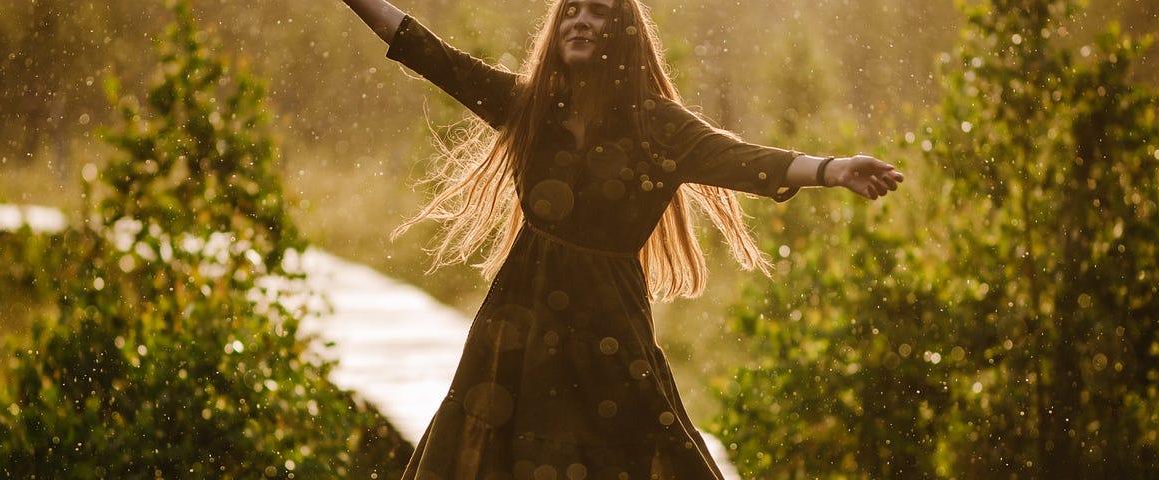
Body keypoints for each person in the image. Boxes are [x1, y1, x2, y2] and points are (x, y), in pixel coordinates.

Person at [338, 0, 905, 478]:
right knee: (493, 444)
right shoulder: (529, 108)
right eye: (571, 12)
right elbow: (431, 54)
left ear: (624, 34)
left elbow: (742, 160)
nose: (580, 21)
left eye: (598, 12)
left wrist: (832, 169)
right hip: (518, 320)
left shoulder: (658, 126)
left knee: (635, 449)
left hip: (610, 327)